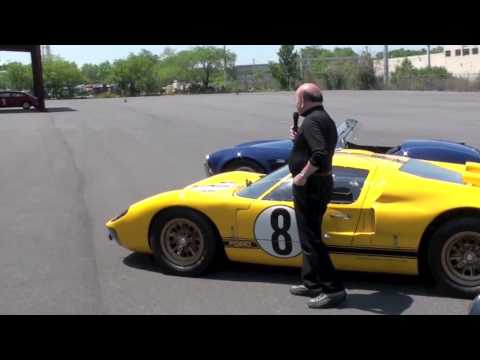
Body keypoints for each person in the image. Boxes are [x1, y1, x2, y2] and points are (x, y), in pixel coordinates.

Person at [288, 83, 347, 309]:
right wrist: (297, 139)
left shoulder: (311, 121)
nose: (296, 104)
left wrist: (302, 175)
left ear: (303, 100)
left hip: (311, 185)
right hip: (320, 183)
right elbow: (315, 148)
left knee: (312, 239)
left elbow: (320, 153)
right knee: (308, 235)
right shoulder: (324, 118)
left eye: (296, 99)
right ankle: (311, 282)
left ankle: (334, 290)